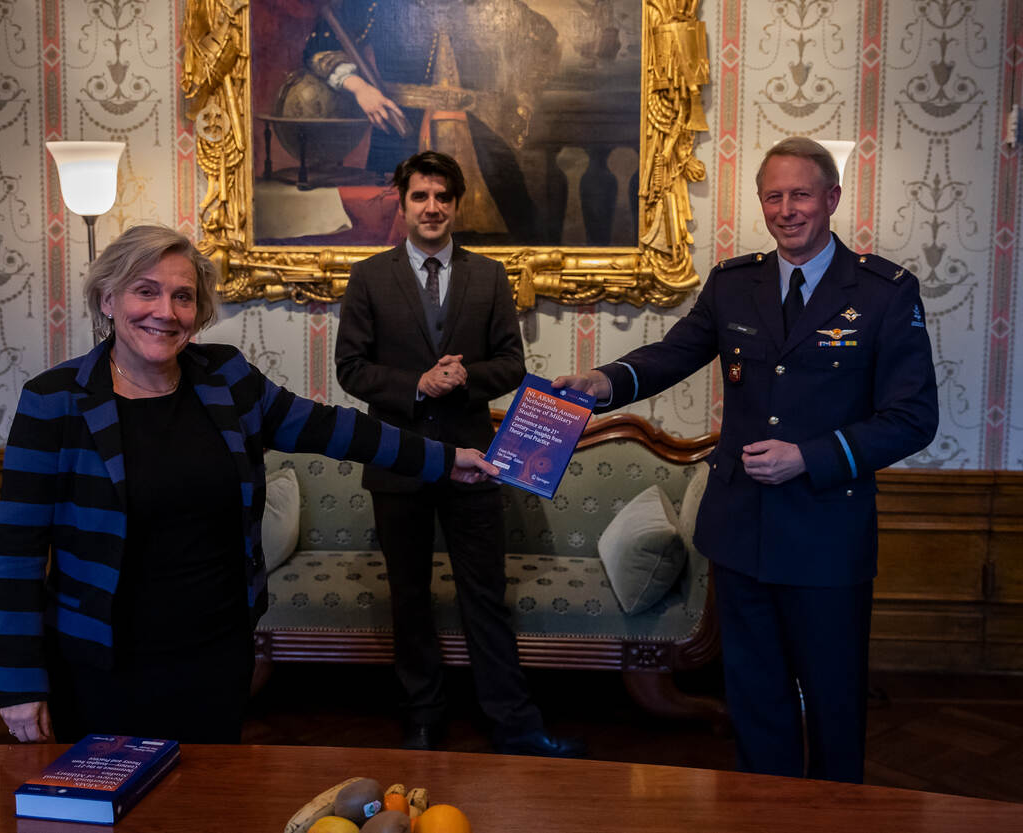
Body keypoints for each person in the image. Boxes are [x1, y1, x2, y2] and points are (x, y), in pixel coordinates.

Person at [0, 225, 499, 745]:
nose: (166, 311)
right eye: (145, 291)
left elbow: (331, 428)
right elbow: (18, 552)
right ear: (108, 299)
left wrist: (444, 460)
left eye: (183, 296)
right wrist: (19, 682)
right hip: (101, 663)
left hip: (216, 652)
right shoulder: (54, 401)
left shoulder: (226, 379)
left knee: (211, 790)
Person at [554, 137, 939, 782]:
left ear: (832, 198)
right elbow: (674, 353)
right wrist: (604, 381)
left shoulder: (883, 292)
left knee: (834, 701)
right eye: (774, 196)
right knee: (755, 701)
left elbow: (913, 417)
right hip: (742, 531)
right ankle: (767, 813)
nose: (787, 210)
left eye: (801, 195)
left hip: (827, 534)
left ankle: (836, 814)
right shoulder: (735, 283)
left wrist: (808, 457)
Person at [335, 151, 583, 757]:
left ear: (457, 204)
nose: (432, 207)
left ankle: (514, 723)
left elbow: (511, 365)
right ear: (402, 203)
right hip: (398, 462)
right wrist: (418, 384)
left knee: (485, 595)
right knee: (410, 597)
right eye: (420, 196)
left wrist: (464, 377)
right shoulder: (369, 276)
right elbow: (350, 368)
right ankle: (421, 716)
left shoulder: (489, 276)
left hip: (474, 462)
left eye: (443, 196)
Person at [303, 0, 558, 241]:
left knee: (514, 227)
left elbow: (542, 38)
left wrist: (521, 99)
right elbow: (319, 47)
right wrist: (360, 89)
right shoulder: (375, 3)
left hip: (482, 135)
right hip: (401, 133)